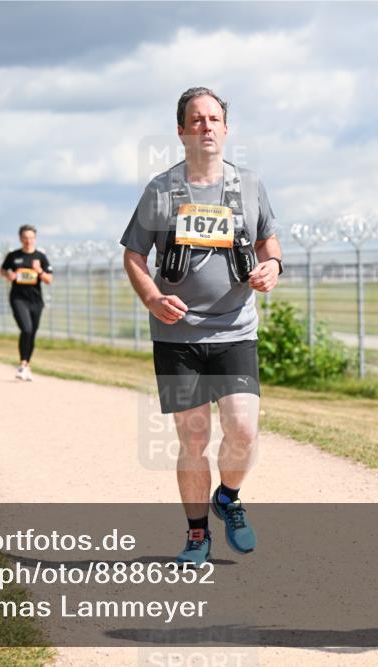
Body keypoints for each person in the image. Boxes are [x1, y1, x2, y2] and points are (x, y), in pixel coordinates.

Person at [121, 87, 282, 565]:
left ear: (226, 129)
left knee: (243, 429)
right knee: (192, 437)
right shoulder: (161, 189)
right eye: (197, 120)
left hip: (235, 329)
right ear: (181, 130)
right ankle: (196, 536)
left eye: (214, 119)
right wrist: (152, 296)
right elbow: (133, 254)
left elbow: (271, 247)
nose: (207, 126)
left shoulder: (249, 186)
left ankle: (228, 497)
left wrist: (272, 268)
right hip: (177, 335)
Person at [1, 225, 52, 381]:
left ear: (35, 238)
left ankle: (27, 365)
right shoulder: (13, 256)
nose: (28, 240)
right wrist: (9, 274)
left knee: (32, 333)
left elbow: (49, 279)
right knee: (26, 329)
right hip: (18, 298)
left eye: (31, 237)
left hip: (36, 300)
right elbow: (3, 270)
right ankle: (23, 364)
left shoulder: (40, 257)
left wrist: (39, 271)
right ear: (20, 238)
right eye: (25, 237)